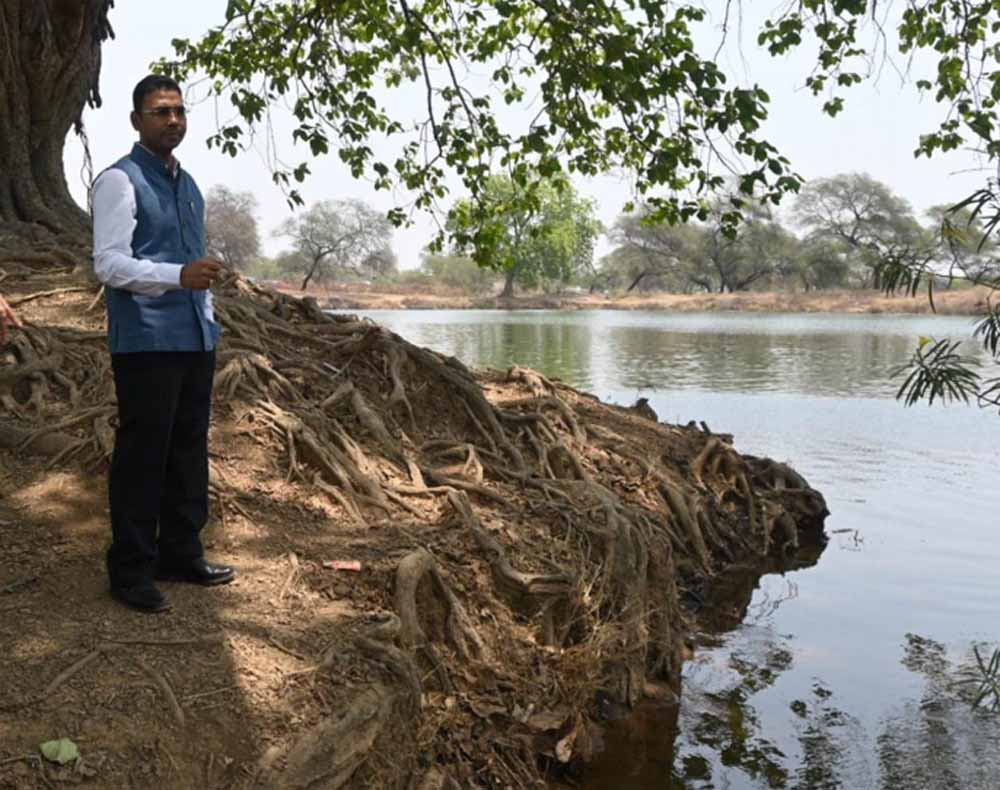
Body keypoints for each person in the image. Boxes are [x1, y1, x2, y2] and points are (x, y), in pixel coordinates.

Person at [92, 74, 235, 613]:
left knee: (188, 448)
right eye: (160, 112)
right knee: (143, 454)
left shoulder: (189, 184)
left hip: (195, 336)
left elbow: (191, 265)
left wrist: (206, 313)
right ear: (137, 120)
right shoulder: (119, 181)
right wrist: (179, 276)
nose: (172, 120)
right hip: (146, 340)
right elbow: (108, 264)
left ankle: (180, 553)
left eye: (178, 111)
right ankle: (130, 569)